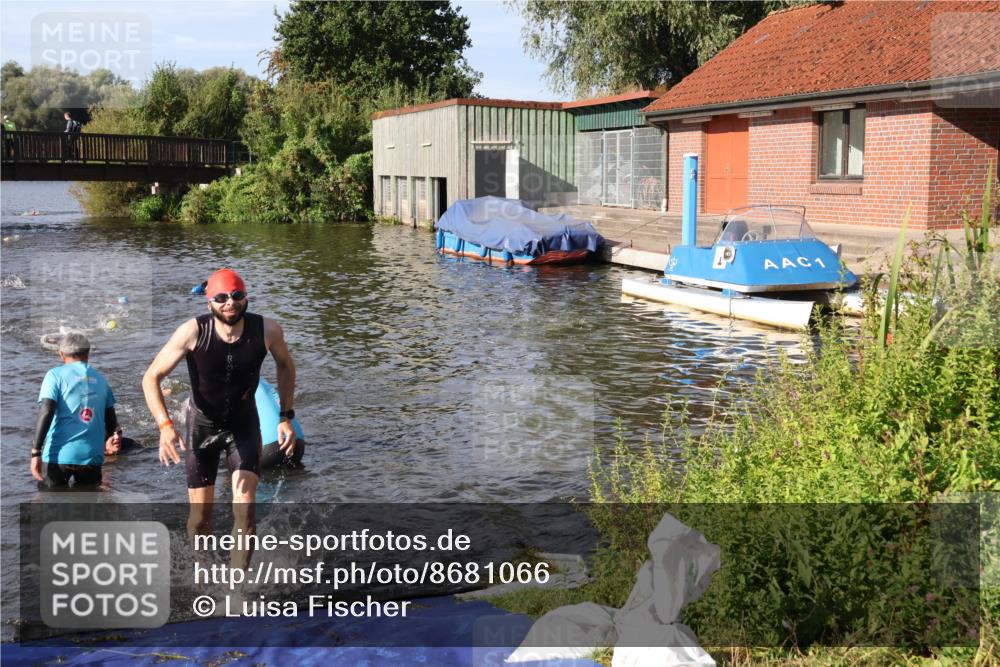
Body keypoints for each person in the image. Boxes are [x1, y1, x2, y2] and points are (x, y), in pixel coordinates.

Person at [142, 268, 296, 568]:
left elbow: (286, 366)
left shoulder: (268, 330)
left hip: (243, 426)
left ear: (246, 297)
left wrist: (285, 416)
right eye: (222, 298)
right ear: (208, 302)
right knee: (200, 519)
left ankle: (236, 590)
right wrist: (164, 426)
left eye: (237, 296)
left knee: (246, 511)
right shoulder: (192, 332)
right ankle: (203, 575)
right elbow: (151, 377)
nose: (230, 304)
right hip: (202, 429)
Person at [31, 332, 119, 488]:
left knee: (51, 508)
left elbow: (47, 411)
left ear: (61, 354)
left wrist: (36, 451)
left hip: (59, 456)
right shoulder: (101, 380)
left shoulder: (54, 375)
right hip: (92, 458)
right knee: (88, 508)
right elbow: (112, 424)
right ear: (88, 354)